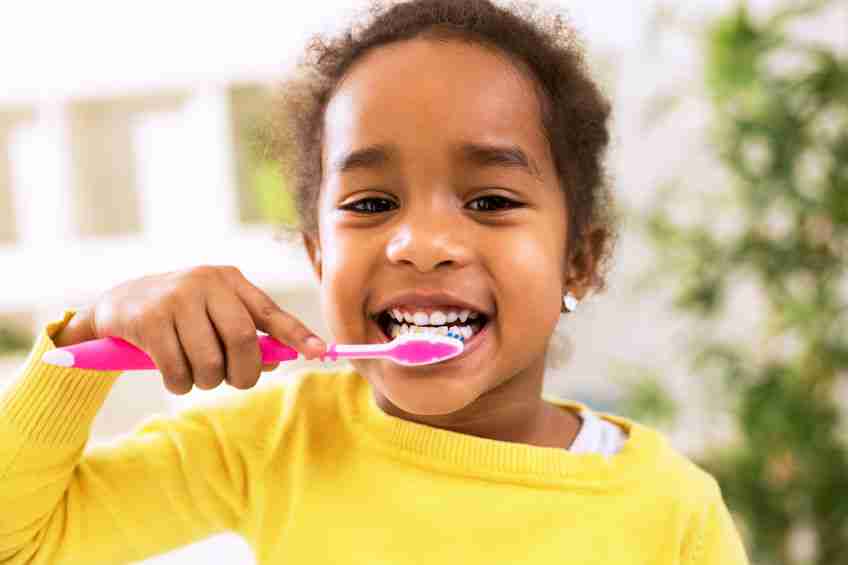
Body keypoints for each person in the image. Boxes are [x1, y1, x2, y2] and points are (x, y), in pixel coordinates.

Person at [0, 0, 750, 563]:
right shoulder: (270, 443)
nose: (420, 243)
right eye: (371, 204)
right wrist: (90, 336)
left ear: (577, 261)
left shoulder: (670, 511)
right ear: (319, 256)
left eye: (489, 200)